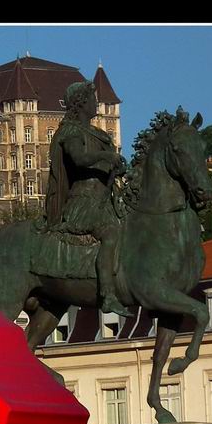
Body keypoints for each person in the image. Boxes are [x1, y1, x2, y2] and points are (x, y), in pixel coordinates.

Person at [45, 80, 132, 317]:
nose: (97, 104)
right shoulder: (70, 132)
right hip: (82, 203)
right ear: (81, 103)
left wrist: (116, 167)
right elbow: (80, 159)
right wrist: (107, 157)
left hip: (105, 200)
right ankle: (108, 295)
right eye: (93, 99)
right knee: (111, 233)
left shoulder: (99, 134)